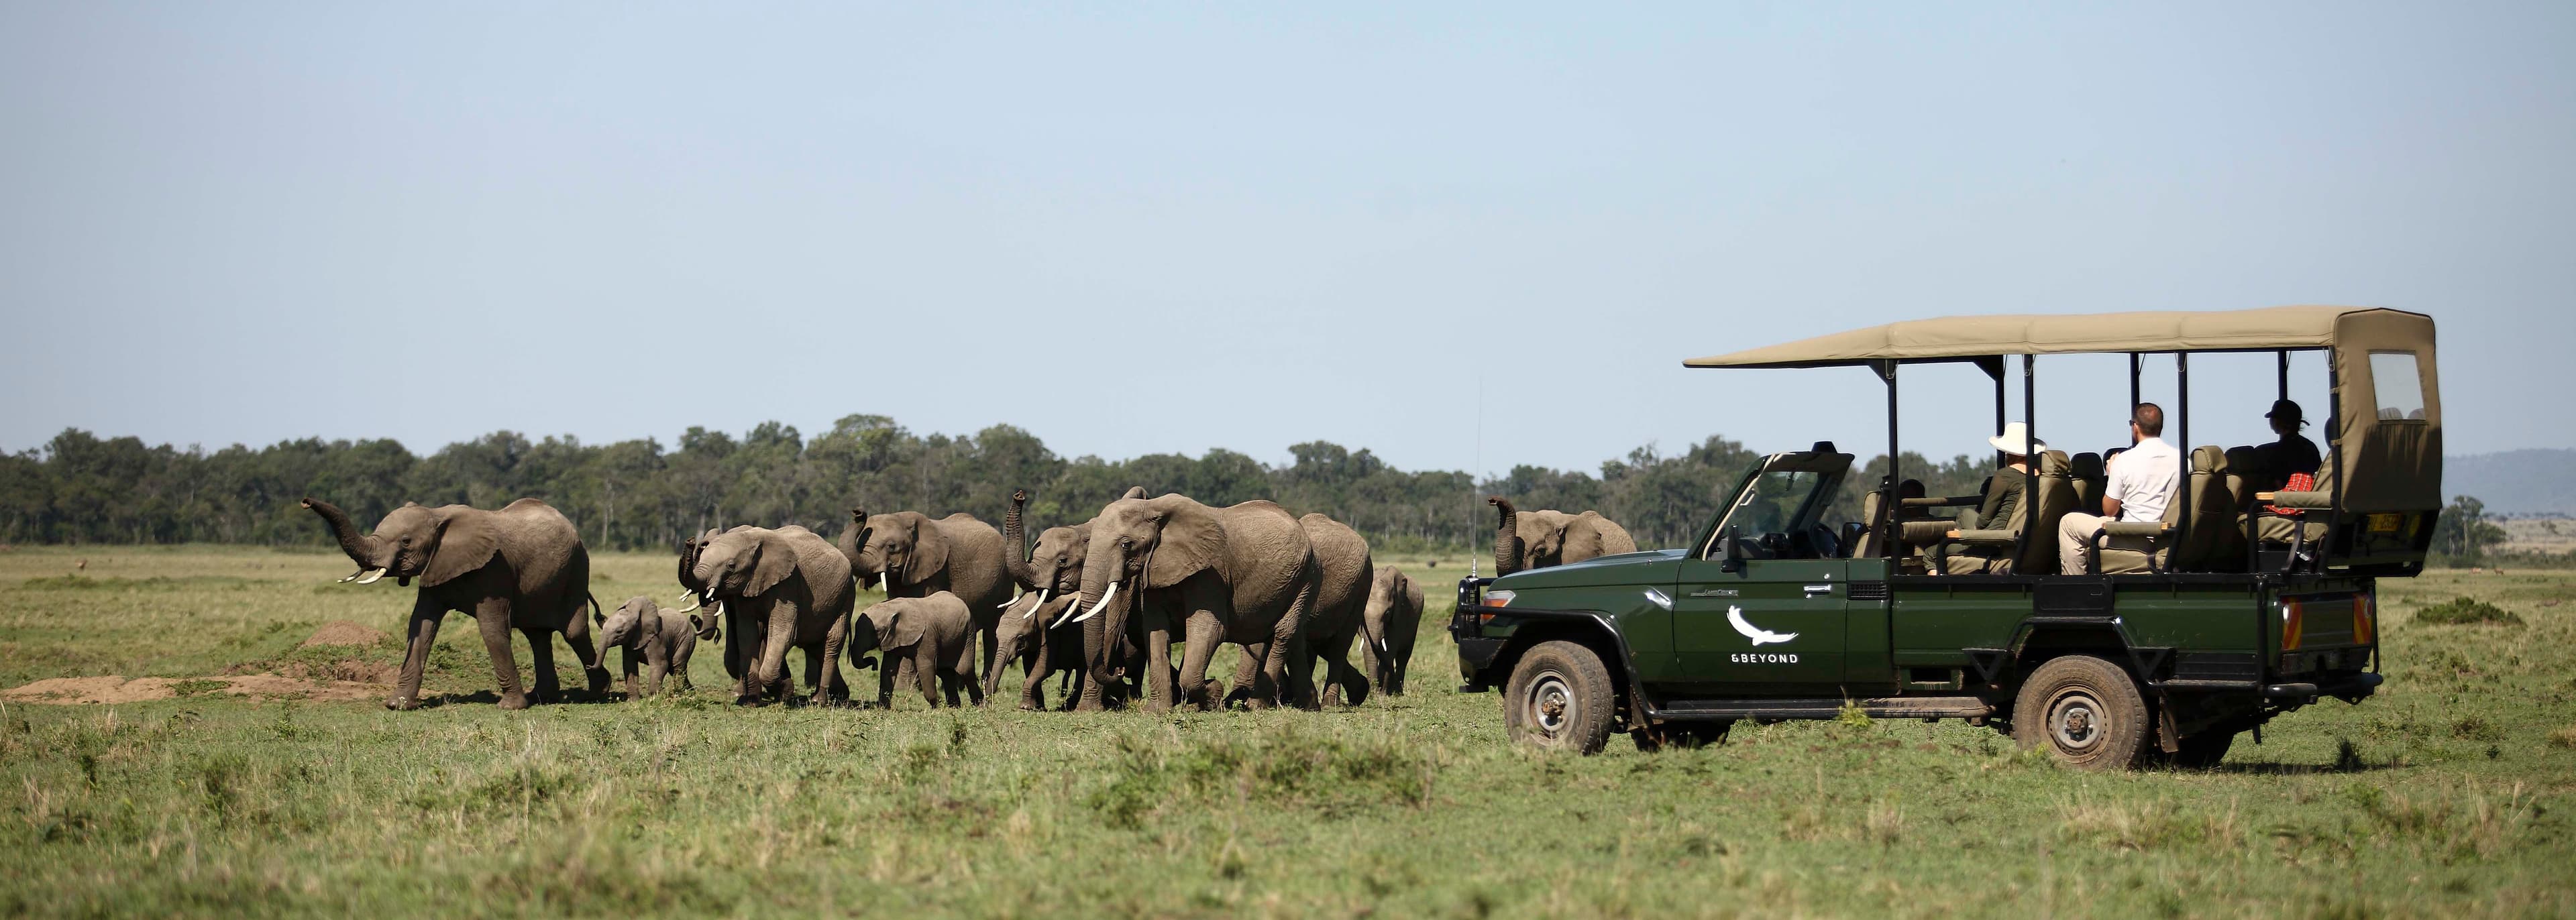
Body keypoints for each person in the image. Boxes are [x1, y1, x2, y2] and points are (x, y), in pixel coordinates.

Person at [2057, 403, 2181, 573]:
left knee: (2068, 523)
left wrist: (2112, 473)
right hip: (2167, 536)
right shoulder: (2182, 460)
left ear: (2135, 427)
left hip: (2134, 535)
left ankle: (2075, 585)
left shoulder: (2125, 461)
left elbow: (2110, 510)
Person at [1938, 422, 2043, 574]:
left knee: (1932, 552)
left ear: (2009, 453)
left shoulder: (2005, 476)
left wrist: (1964, 535)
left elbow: (1983, 521)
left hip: (1996, 540)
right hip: (2019, 540)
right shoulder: (2041, 478)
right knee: (1966, 515)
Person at [2257, 398, 2322, 491]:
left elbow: (2278, 481)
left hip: (2288, 501)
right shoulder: (2310, 446)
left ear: (2278, 421)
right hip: (2311, 499)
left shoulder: (2277, 450)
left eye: (2273, 418)